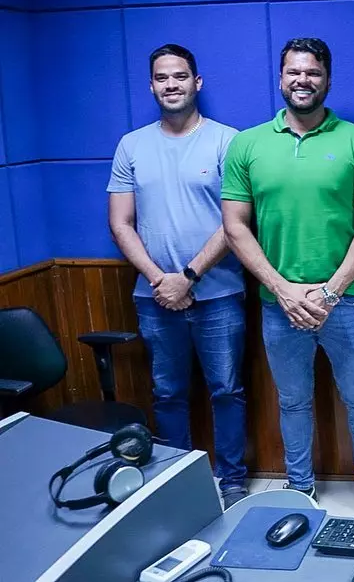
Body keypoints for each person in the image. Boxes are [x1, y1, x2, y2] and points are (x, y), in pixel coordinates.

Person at [221, 37, 354, 517]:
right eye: (294, 72)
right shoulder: (248, 144)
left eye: (313, 72)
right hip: (279, 304)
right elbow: (235, 226)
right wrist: (283, 290)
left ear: (328, 80)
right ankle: (300, 488)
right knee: (293, 401)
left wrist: (329, 292)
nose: (303, 80)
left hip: (347, 300)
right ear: (281, 78)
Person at [107, 44, 249, 509]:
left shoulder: (228, 141)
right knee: (167, 394)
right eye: (162, 77)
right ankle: (175, 480)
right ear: (151, 86)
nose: (172, 84)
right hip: (155, 298)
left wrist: (188, 275)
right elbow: (120, 223)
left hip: (219, 294)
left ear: (197, 82)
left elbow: (235, 222)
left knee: (227, 391)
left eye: (180, 76)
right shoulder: (131, 145)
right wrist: (160, 280)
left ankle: (232, 481)